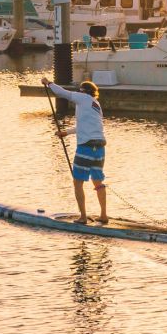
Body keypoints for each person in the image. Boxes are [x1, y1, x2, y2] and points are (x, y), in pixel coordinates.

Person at [42, 77, 108, 224]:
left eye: (79, 90)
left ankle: (83, 217)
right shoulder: (96, 105)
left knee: (78, 182)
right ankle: (103, 215)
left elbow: (63, 93)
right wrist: (66, 133)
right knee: (98, 182)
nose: (77, 92)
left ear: (83, 92)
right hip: (100, 147)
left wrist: (49, 83)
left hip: (86, 147)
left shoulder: (83, 98)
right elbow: (84, 127)